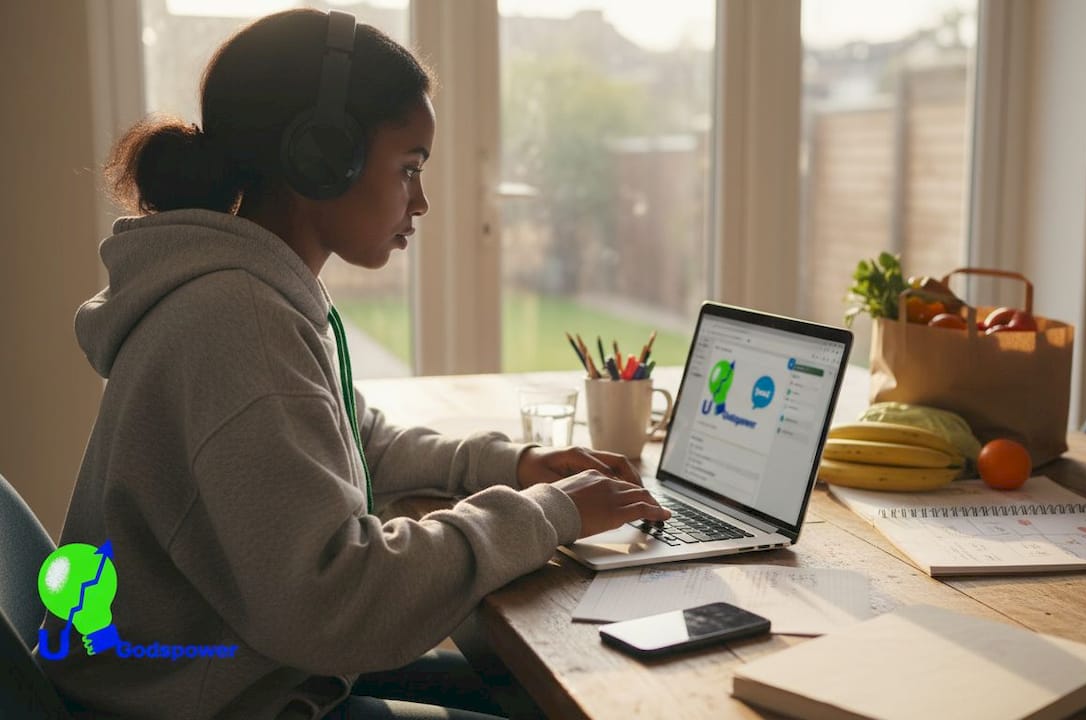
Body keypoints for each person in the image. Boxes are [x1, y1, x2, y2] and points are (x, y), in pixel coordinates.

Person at [38, 9, 669, 720]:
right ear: (320, 156)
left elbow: (357, 441)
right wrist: (547, 515)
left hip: (234, 675)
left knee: (536, 692)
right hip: (211, 702)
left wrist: (515, 467)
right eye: (409, 168)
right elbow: (337, 599)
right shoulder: (237, 319)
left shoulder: (251, 293)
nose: (421, 201)